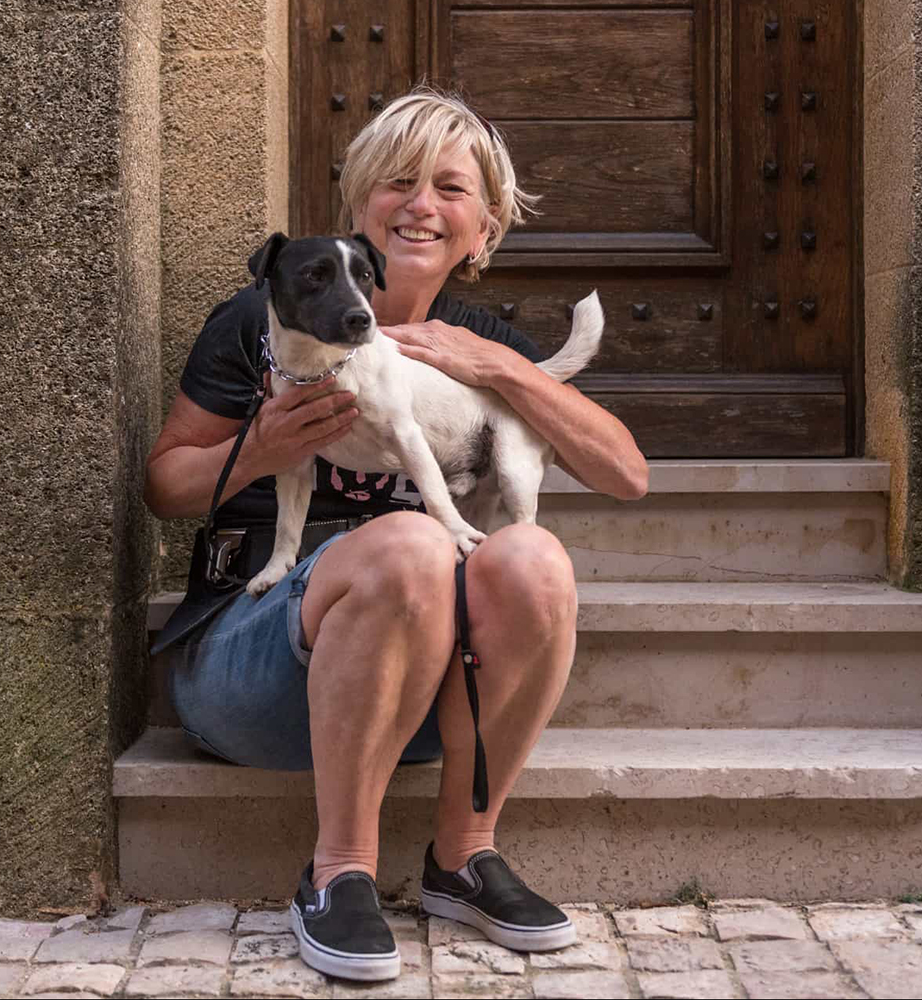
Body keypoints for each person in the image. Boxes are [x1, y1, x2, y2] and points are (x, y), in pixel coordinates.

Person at [144, 87, 648, 981]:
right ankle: (339, 873)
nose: (420, 205)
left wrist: (502, 368)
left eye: (450, 189)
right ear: (360, 210)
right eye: (398, 182)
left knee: (532, 559)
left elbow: (625, 475)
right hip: (252, 666)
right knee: (413, 545)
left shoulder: (484, 342)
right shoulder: (268, 320)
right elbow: (164, 487)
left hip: (427, 695)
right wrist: (256, 448)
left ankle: (464, 854)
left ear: (483, 229)